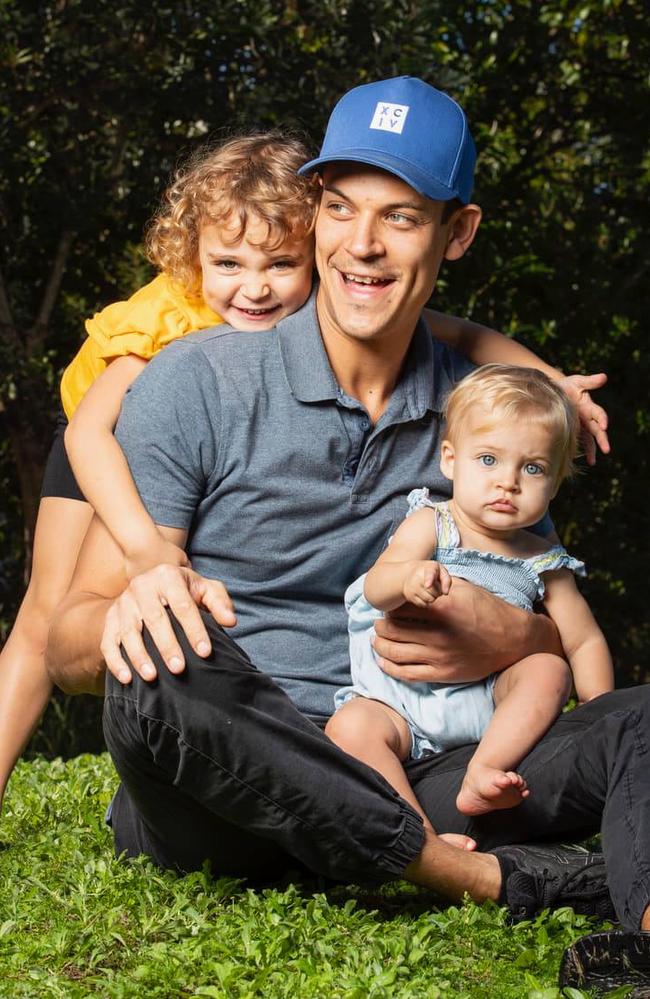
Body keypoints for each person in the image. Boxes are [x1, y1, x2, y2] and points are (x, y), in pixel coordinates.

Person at [46, 77, 649, 944]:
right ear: (315, 214)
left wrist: (514, 638)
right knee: (162, 671)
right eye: (339, 208)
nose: (360, 245)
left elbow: (553, 621)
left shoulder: (483, 414)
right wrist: (133, 607)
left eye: (400, 217)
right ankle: (461, 874)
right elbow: (71, 647)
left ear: (458, 231)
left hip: (421, 766)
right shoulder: (195, 381)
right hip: (228, 797)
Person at [0, 131, 603, 814]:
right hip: (96, 440)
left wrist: (552, 382)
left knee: (625, 729)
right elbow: (88, 433)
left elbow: (457, 331)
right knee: (49, 612)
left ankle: (385, 823)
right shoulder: (170, 337)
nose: (254, 286)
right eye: (228, 262)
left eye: (279, 263)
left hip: (375, 720)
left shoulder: (365, 316)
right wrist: (147, 556)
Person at [326, 365, 614, 829]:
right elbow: (376, 588)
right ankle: (419, 833)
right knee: (350, 727)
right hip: (399, 702)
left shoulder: (544, 561)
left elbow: (584, 642)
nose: (508, 482)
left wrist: (600, 712)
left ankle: (484, 769)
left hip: (487, 704)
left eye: (533, 467)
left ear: (556, 483)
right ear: (450, 460)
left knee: (548, 667)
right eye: (488, 460)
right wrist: (408, 579)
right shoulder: (433, 524)